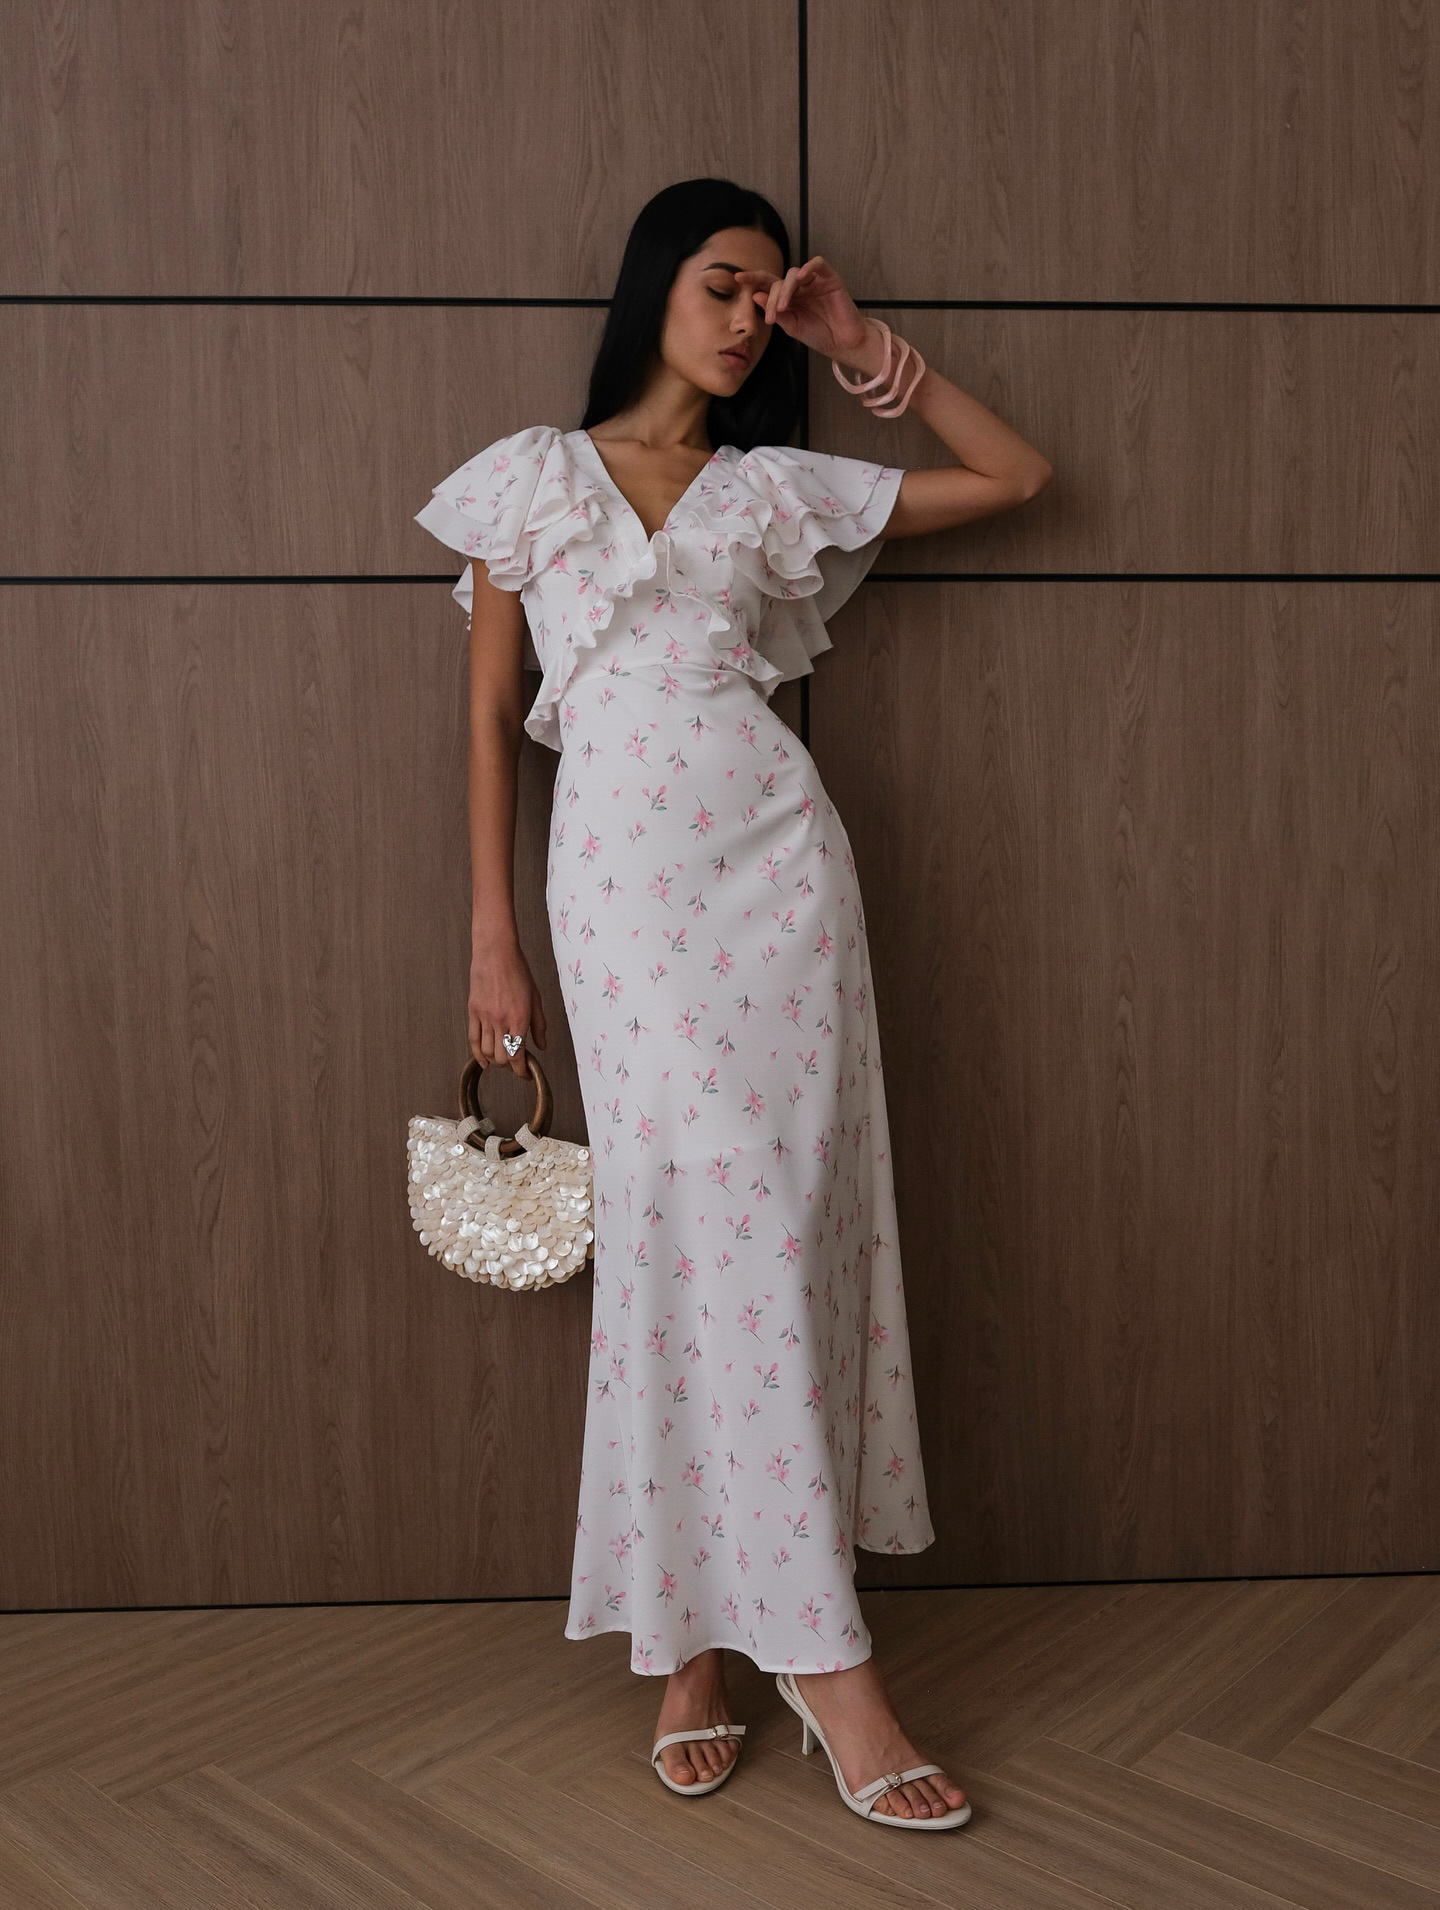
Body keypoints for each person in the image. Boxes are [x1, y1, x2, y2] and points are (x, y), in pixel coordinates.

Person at [415, 178, 1051, 1829]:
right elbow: (488, 724)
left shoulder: (766, 486)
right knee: (692, 1229)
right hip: (620, 893)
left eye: (769, 296)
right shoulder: (529, 479)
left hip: (782, 879)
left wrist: (863, 347)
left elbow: (1016, 477)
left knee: (782, 1224)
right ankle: (800, 1661)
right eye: (726, 283)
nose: (749, 316)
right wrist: (490, 940)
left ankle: (709, 1649)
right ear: (655, 283)